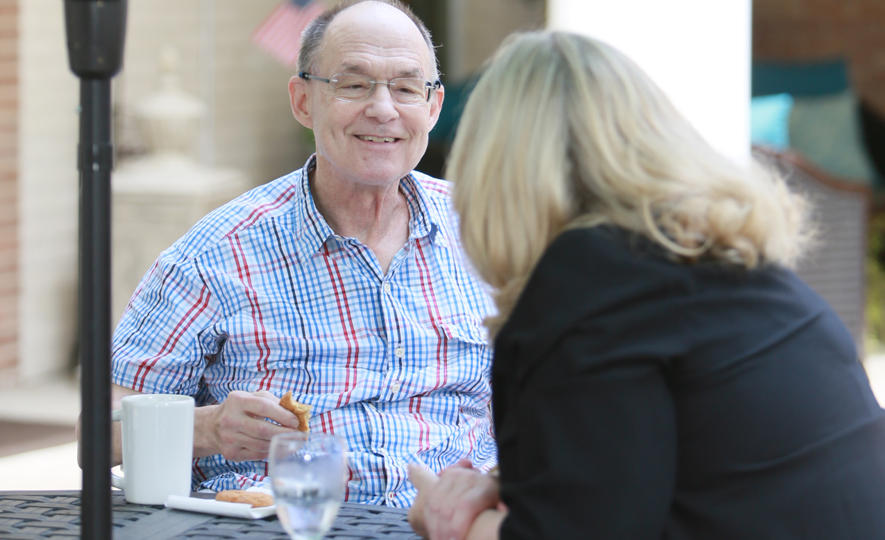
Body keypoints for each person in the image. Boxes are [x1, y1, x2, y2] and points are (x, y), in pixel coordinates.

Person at [408, 30, 885, 538]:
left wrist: (445, 517)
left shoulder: (584, 285)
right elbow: (645, 467)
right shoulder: (729, 264)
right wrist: (506, 486)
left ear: (493, 171)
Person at [90, 0, 497, 506]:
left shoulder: (486, 232)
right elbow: (96, 434)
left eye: (406, 88)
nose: (384, 108)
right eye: (354, 84)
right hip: (284, 525)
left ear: (432, 108)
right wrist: (207, 428)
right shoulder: (213, 255)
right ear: (303, 100)